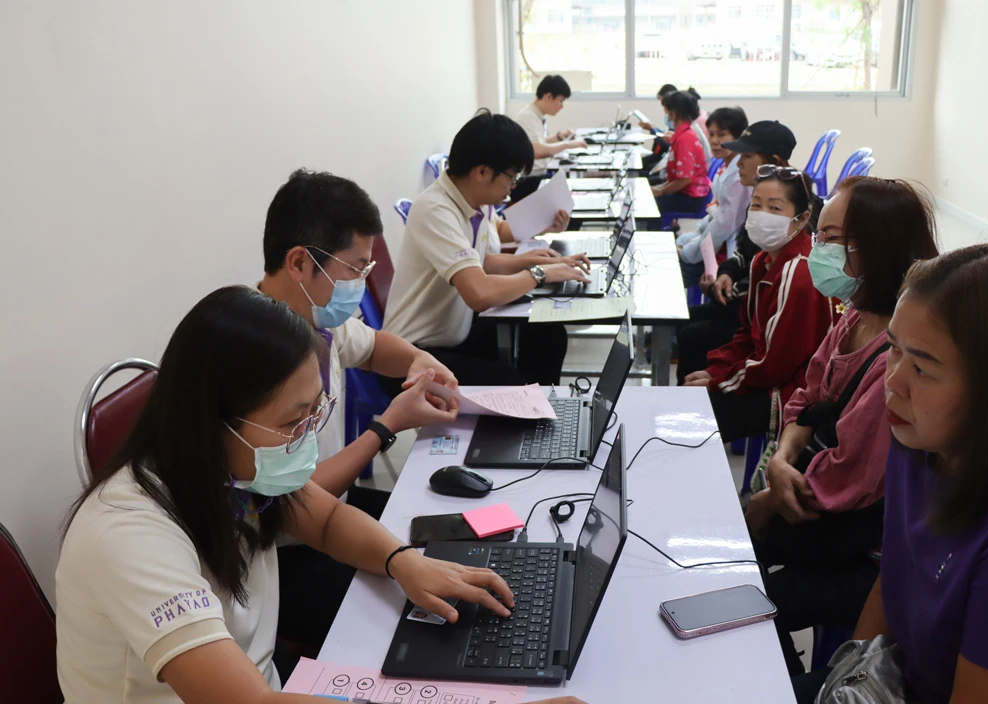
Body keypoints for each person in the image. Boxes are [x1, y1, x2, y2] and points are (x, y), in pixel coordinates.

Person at [54, 286, 588, 704]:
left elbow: (327, 520)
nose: (308, 436)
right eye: (294, 421)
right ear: (211, 422)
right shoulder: (129, 534)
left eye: (315, 412)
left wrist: (403, 562)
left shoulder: (229, 472)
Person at [793, 244, 988, 704]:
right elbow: (894, 581)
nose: (893, 381)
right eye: (892, 349)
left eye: (922, 367)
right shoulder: (919, 443)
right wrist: (842, 685)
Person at [256, 168, 464, 667]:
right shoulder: (257, 361)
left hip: (331, 516)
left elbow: (375, 348)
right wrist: (385, 426)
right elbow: (289, 505)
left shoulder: (316, 321)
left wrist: (420, 361)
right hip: (283, 556)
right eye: (354, 269)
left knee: (457, 539)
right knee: (429, 615)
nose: (360, 284)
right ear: (300, 263)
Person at [742, 177, 939, 676]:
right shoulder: (855, 314)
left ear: (876, 245)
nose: (817, 250)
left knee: (744, 588)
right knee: (736, 551)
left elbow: (851, 477)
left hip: (861, 542)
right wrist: (782, 460)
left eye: (831, 239)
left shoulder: (899, 349)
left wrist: (769, 496)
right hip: (815, 496)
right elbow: (808, 393)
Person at [381, 110, 591, 388]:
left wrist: (540, 263)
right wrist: (539, 273)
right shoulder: (436, 209)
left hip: (455, 332)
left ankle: (541, 414)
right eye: (512, 177)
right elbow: (479, 294)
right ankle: (530, 416)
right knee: (512, 385)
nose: (513, 186)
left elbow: (484, 260)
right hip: (414, 354)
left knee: (548, 334)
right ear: (482, 172)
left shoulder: (474, 202)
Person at [683, 166, 835, 442]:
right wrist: (714, 370)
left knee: (689, 420)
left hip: (795, 392)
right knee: (690, 390)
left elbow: (773, 366)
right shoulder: (761, 260)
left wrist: (718, 383)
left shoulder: (798, 273)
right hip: (769, 376)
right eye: (756, 205)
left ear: (802, 218)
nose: (762, 214)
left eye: (775, 208)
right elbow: (749, 333)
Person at [676, 120, 799, 383]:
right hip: (743, 305)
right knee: (683, 320)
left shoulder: (791, 209)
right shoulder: (760, 196)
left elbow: (769, 279)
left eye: (746, 156)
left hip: (759, 317)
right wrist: (727, 274)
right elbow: (746, 250)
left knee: (693, 336)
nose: (738, 163)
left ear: (774, 161)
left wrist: (721, 290)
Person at [675, 106, 752, 289]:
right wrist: (689, 241)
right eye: (711, 134)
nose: (715, 141)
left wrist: (688, 252)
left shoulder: (737, 177)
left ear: (738, 137)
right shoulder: (726, 167)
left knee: (673, 270)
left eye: (722, 135)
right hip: (718, 242)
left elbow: (724, 225)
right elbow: (715, 215)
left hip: (729, 254)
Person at [511, 74, 587, 202]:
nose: (562, 106)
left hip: (537, 178)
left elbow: (537, 142)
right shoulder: (528, 117)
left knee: (572, 199)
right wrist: (567, 145)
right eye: (561, 101)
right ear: (548, 97)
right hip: (527, 183)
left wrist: (559, 137)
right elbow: (536, 150)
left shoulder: (535, 115)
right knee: (571, 206)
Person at [650, 90, 711, 224]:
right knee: (649, 199)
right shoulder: (681, 134)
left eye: (666, 109)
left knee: (651, 208)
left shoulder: (685, 138)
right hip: (685, 193)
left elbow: (684, 179)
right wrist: (660, 188)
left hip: (692, 198)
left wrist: (661, 192)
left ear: (673, 113)